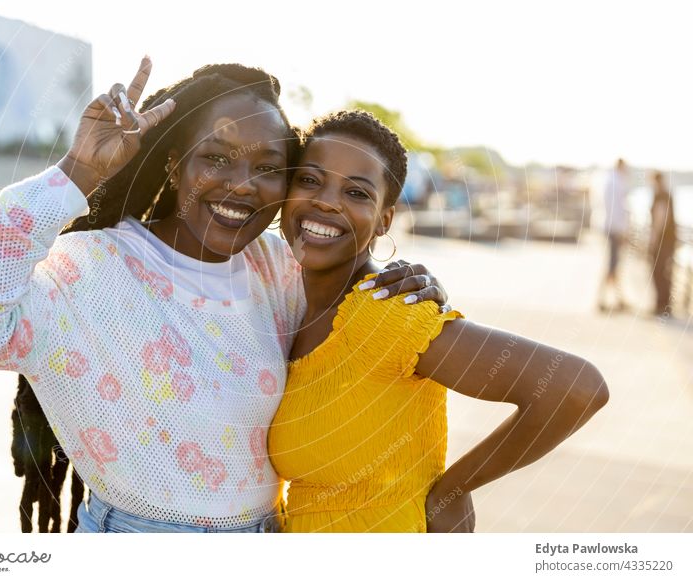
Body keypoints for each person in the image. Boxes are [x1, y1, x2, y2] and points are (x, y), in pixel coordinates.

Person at [0, 59, 443, 533]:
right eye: (216, 158)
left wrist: (402, 277)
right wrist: (77, 172)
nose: (242, 185)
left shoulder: (277, 269)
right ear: (174, 165)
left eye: (267, 169)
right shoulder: (91, 267)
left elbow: (348, 316)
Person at [267, 111, 610, 532]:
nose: (326, 201)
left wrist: (455, 489)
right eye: (310, 180)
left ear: (384, 220)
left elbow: (574, 389)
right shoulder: (281, 296)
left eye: (357, 193)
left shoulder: (388, 312)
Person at [597, 158, 630, 312]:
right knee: (612, 265)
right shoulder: (616, 183)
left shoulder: (610, 181)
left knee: (613, 265)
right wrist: (621, 231)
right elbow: (617, 209)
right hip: (614, 229)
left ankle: (616, 299)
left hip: (611, 228)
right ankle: (603, 299)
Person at [649, 171, 677, 316]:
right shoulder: (667, 195)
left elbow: (660, 218)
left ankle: (662, 305)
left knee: (659, 271)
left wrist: (653, 239)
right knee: (665, 272)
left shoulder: (661, 195)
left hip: (662, 241)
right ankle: (665, 306)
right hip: (670, 241)